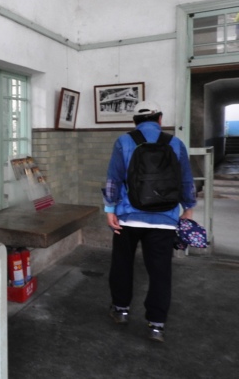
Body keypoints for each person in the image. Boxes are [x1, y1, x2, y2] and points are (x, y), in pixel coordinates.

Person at [102, 100, 196, 342]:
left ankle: (121, 310)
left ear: (134, 121)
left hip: (128, 217)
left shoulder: (124, 141)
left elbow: (113, 178)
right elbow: (186, 180)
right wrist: (188, 208)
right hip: (165, 218)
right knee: (160, 272)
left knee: (122, 264)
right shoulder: (175, 143)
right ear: (160, 119)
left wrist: (110, 209)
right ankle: (156, 325)